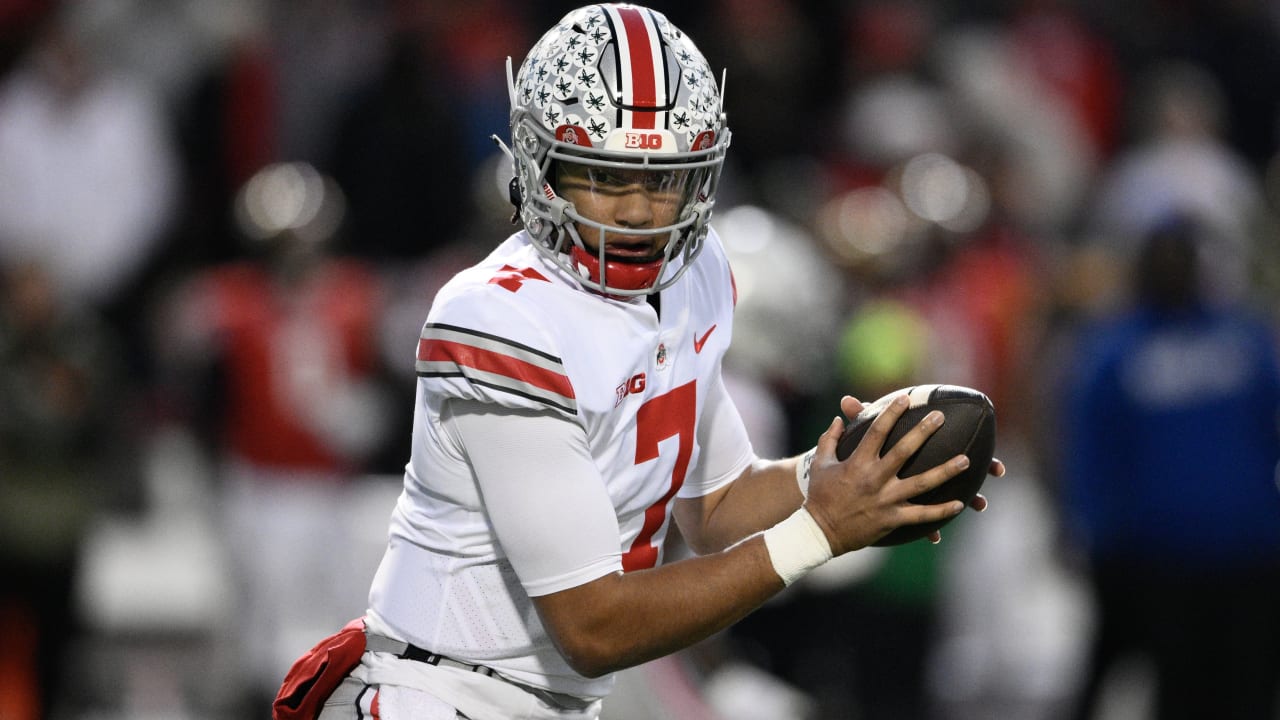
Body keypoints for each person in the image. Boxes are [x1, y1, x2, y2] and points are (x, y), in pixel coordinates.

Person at [282, 5, 1004, 719]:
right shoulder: (499, 319)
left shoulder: (696, 275)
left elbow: (717, 507)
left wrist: (852, 476)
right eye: (606, 174)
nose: (636, 212)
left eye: (663, 178)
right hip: (442, 696)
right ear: (544, 168)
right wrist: (819, 530)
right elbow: (593, 625)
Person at [1059, 215, 1280, 720]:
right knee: (1179, 694)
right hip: (1160, 561)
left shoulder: (1243, 338)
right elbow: (1091, 449)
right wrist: (1092, 533)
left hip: (1252, 553)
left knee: (1250, 692)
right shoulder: (1114, 350)